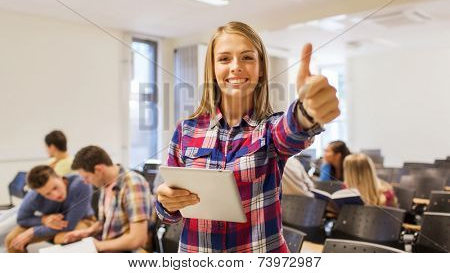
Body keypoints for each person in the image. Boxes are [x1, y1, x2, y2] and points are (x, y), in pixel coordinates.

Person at [155, 21, 340, 252]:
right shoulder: (186, 130)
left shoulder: (270, 128)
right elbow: (167, 209)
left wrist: (307, 112)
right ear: (212, 68)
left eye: (247, 57)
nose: (236, 67)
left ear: (261, 68)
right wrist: (167, 203)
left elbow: (292, 131)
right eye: (224, 59)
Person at [63, 146, 151, 252]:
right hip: (109, 248)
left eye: (86, 177)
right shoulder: (106, 184)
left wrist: (99, 246)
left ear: (99, 169)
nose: (85, 182)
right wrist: (87, 232)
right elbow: (107, 222)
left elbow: (138, 239)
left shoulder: (133, 183)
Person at [4, 166, 95, 252]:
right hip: (50, 224)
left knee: (63, 238)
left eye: (55, 187)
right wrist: (44, 219)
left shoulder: (81, 184)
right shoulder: (34, 196)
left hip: (82, 220)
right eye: (48, 194)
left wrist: (33, 232)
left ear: (60, 177)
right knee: (12, 240)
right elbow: (22, 219)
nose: (55, 195)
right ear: (39, 193)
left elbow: (69, 225)